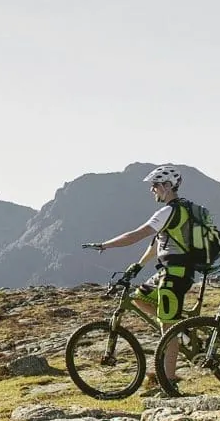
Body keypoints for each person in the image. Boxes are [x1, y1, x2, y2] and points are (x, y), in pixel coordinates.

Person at [84, 165, 209, 394]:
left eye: (155, 185)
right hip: (171, 272)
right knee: (140, 297)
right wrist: (138, 266)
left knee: (166, 329)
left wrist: (105, 245)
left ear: (167, 186)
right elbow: (157, 244)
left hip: (176, 274)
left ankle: (169, 384)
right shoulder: (182, 211)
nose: (152, 190)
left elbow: (135, 236)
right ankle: (181, 329)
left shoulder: (168, 211)